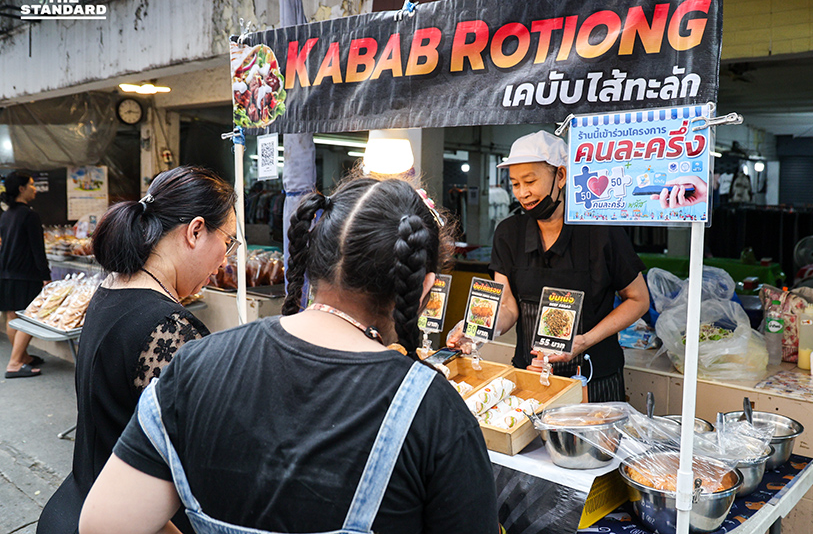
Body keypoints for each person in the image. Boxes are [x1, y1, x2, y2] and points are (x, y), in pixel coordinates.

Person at [78, 175, 499, 534]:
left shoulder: (193, 365)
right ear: (423, 287)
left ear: (311, 259)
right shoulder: (434, 410)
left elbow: (102, 524)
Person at [38, 165, 237, 534]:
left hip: (77, 504)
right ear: (195, 231)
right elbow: (183, 463)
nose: (225, 260)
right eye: (228, 242)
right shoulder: (171, 327)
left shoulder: (110, 289)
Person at [449, 131, 649, 402]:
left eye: (530, 181)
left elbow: (638, 300)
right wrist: (476, 329)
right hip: (531, 375)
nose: (523, 193)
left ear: (561, 176)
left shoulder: (601, 232)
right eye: (515, 184)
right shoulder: (509, 233)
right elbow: (507, 306)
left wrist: (583, 341)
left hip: (592, 377)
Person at [1, 171, 52, 378]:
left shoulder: (6, 215)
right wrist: (46, 277)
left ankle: (23, 357)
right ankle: (14, 364)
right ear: (21, 189)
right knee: (29, 319)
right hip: (25, 274)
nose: (35, 189)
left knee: (12, 317)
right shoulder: (30, 215)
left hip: (5, 273)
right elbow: (37, 251)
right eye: (31, 185)